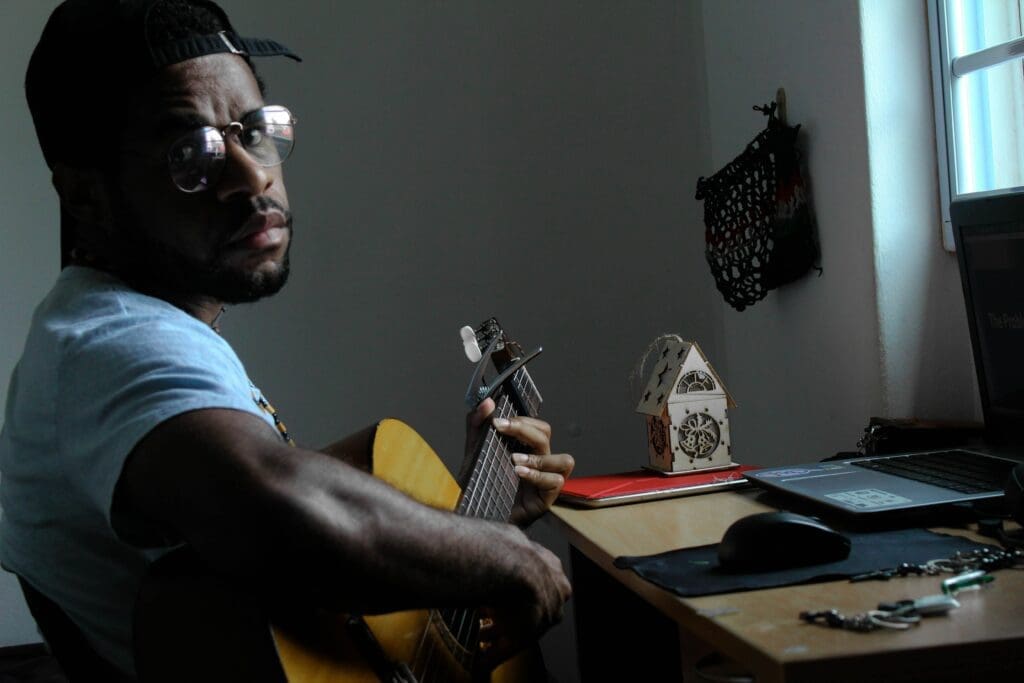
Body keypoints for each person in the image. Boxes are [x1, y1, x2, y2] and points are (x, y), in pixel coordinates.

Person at [0, 0, 574, 679]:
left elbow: (292, 587)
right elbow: (276, 508)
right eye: (190, 153)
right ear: (88, 197)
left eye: (253, 130)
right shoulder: (110, 342)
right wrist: (502, 556)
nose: (253, 176)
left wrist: (475, 524)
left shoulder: (146, 331)